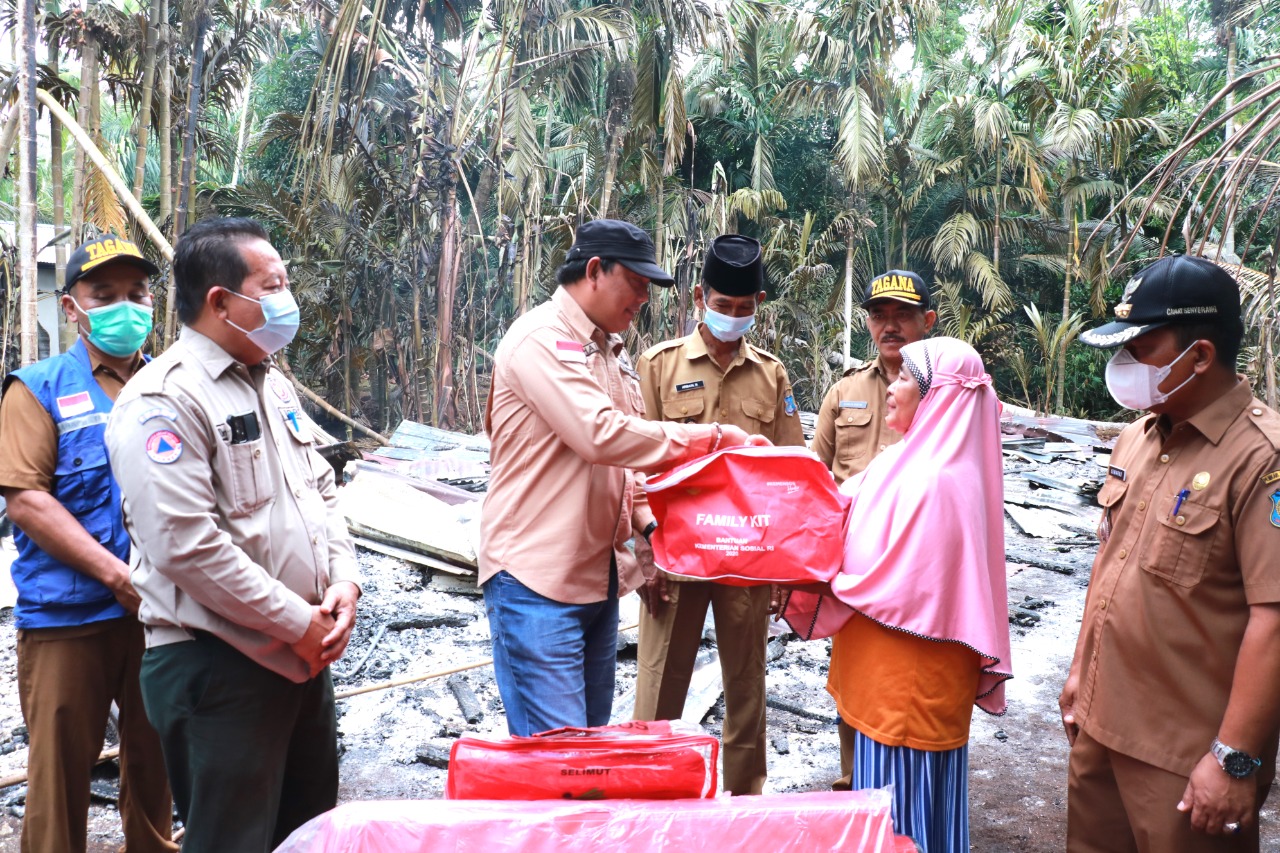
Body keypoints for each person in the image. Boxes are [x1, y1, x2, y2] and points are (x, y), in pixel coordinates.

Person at [103, 217, 361, 853]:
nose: (286, 299)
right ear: (221, 301)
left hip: (300, 659)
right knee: (232, 841)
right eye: (272, 286)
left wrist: (345, 581)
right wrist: (297, 622)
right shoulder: (164, 401)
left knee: (305, 832)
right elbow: (187, 546)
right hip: (217, 663)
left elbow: (319, 488)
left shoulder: (271, 383)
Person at [480, 218, 766, 738]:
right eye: (635, 283)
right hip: (535, 584)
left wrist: (650, 532)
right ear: (595, 271)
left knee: (590, 751)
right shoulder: (541, 339)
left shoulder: (611, 350)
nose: (643, 299)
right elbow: (601, 435)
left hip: (596, 582)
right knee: (560, 765)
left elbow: (624, 468)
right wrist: (716, 437)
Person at [1060, 255, 1280, 852]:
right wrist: (1082, 673)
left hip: (1184, 759)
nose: (1123, 365)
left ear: (1201, 355)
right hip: (1103, 730)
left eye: (1142, 348)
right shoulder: (1137, 436)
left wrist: (1234, 760)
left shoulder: (1261, 460)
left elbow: (1274, 620)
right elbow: (1108, 563)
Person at [785, 336, 1012, 853]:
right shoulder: (909, 465)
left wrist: (807, 575)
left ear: (939, 398)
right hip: (890, 683)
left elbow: (883, 579)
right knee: (914, 816)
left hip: (905, 692)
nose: (892, 386)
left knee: (899, 825)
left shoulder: (936, 483)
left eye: (907, 378)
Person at [0, 235, 175, 853]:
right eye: (104, 296)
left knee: (155, 764)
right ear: (72, 308)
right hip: (68, 618)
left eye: (137, 294)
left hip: (161, 617)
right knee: (59, 776)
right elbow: (26, 499)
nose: (123, 307)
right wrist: (118, 576)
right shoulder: (36, 388)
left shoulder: (172, 385)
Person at [632, 234, 805, 796]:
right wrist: (644, 554)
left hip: (747, 557)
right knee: (659, 684)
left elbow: (786, 471)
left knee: (747, 688)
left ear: (758, 304)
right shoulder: (658, 367)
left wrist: (783, 565)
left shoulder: (773, 376)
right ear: (700, 297)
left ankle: (744, 803)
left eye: (745, 308)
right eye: (723, 306)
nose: (733, 317)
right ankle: (651, 796)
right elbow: (635, 465)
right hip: (676, 554)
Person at [808, 268, 937, 789]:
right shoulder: (844, 392)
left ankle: (912, 791)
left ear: (927, 321)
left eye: (903, 315)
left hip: (918, 571)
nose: (891, 326)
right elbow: (815, 482)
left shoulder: (946, 389)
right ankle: (852, 783)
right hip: (853, 571)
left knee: (914, 681)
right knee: (852, 678)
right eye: (880, 316)